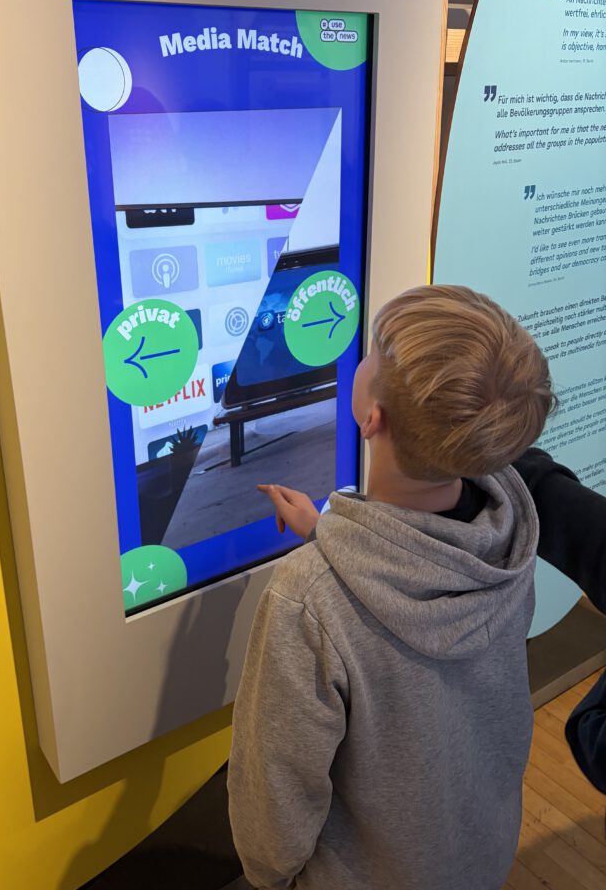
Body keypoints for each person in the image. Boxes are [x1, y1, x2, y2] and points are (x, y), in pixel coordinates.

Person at [226, 285, 556, 890]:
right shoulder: (508, 538)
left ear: (371, 416)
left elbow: (274, 810)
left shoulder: (308, 599)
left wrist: (272, 878)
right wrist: (327, 531)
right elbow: (423, 571)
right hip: (478, 856)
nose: (363, 357)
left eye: (374, 353)